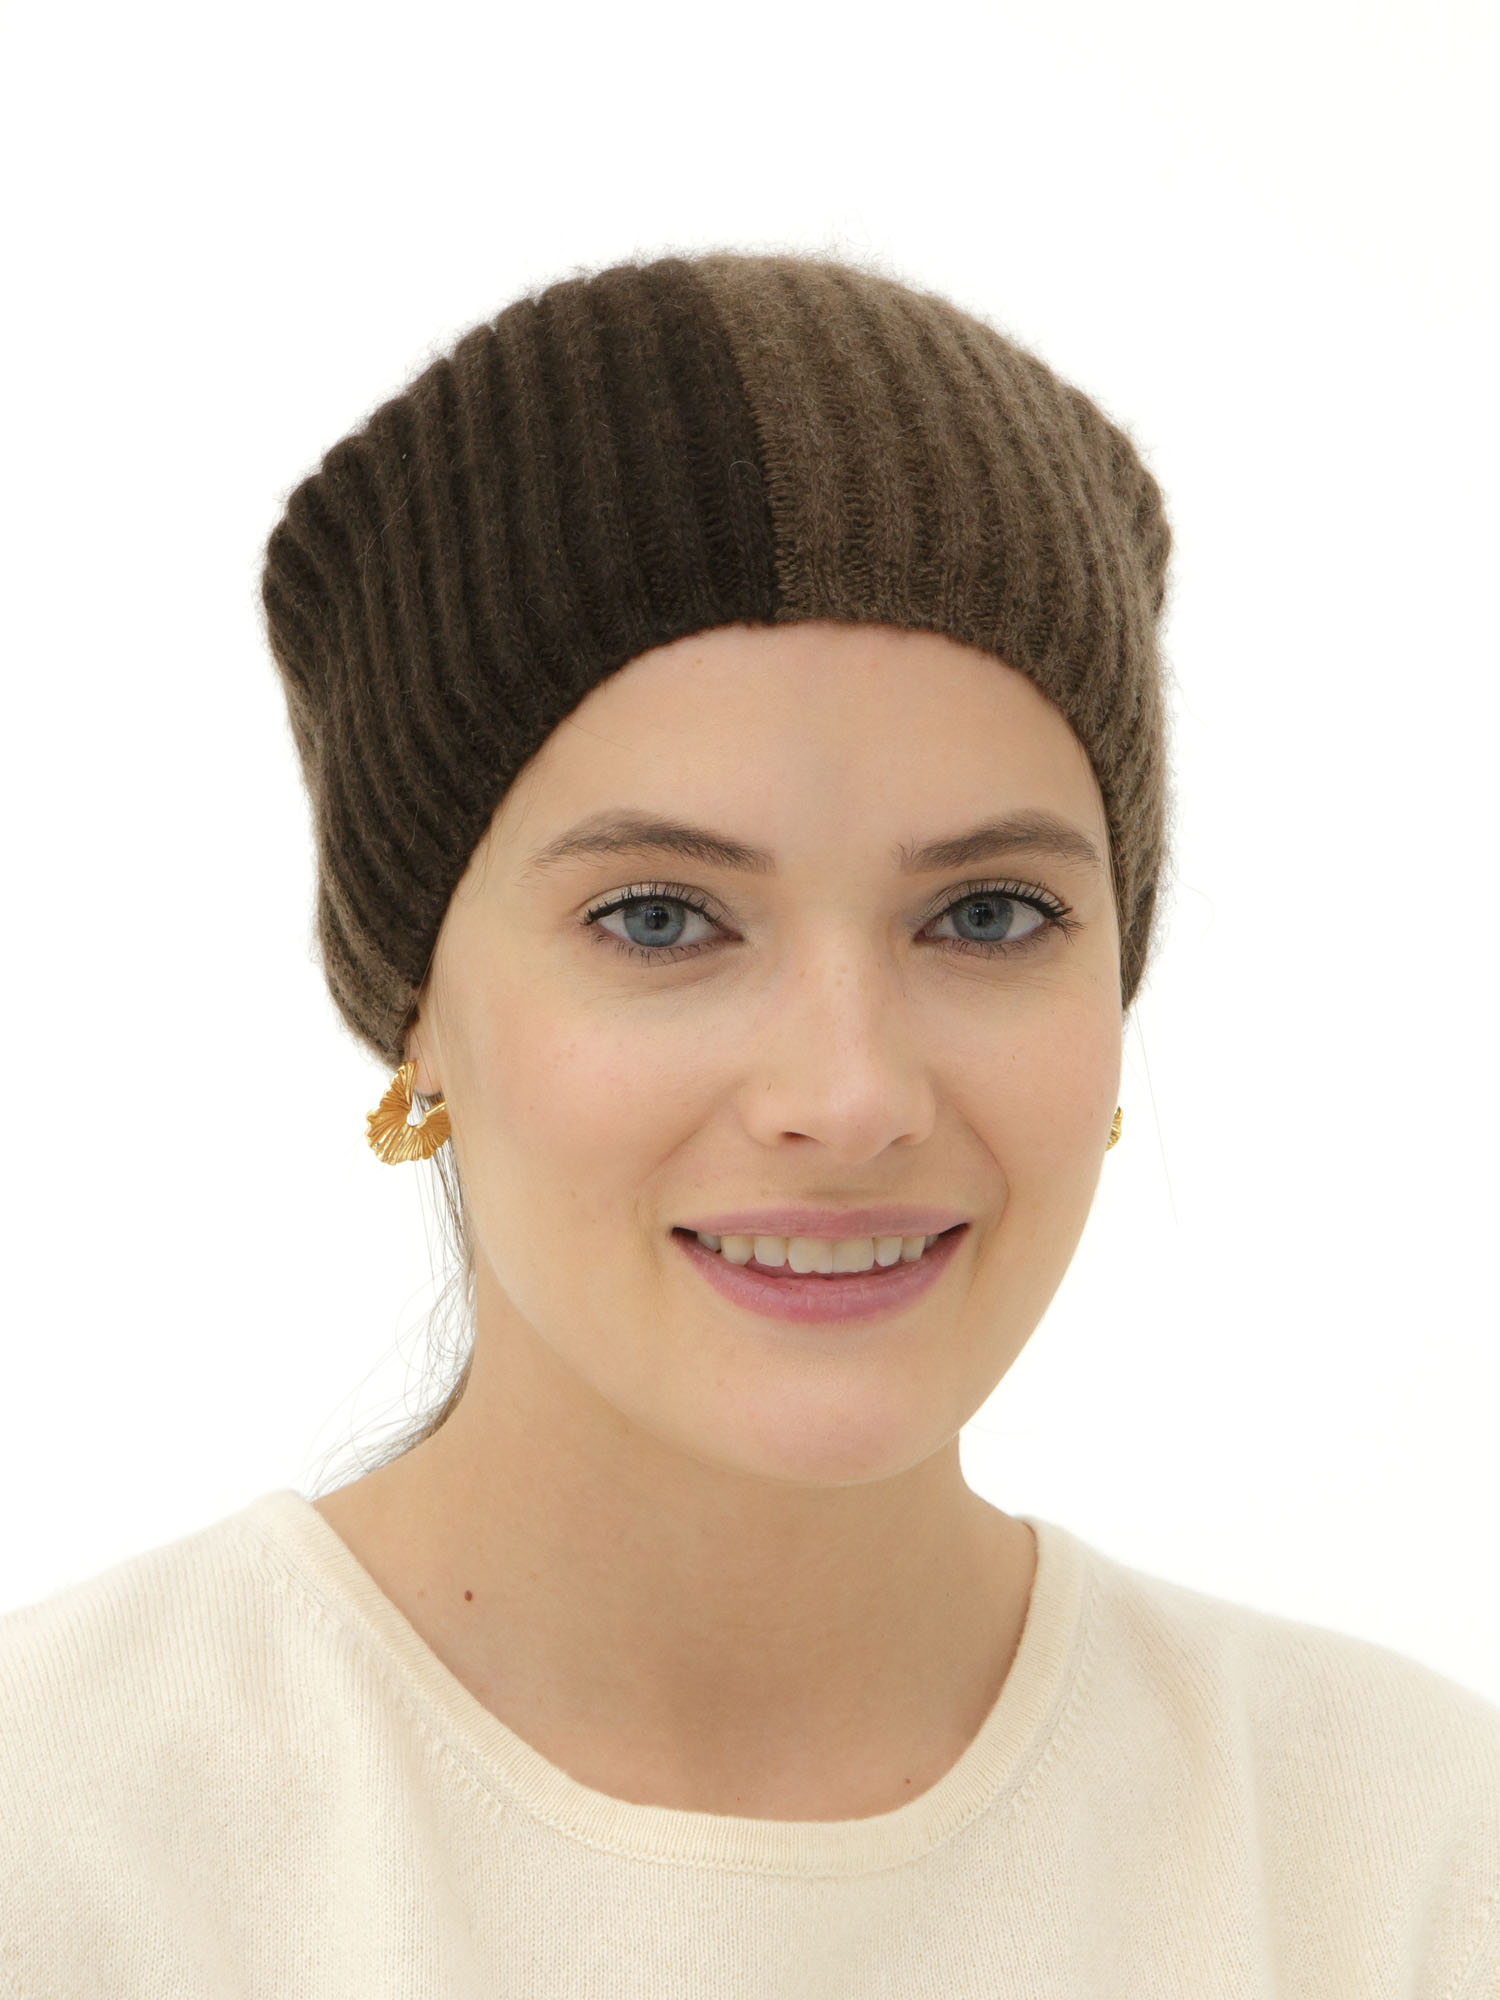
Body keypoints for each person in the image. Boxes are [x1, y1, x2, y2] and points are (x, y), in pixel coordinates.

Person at [1, 250, 1496, 1998]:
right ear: (419, 1007)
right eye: (658, 918)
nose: (849, 1097)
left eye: (990, 915)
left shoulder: (1409, 1863)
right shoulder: (63, 1846)